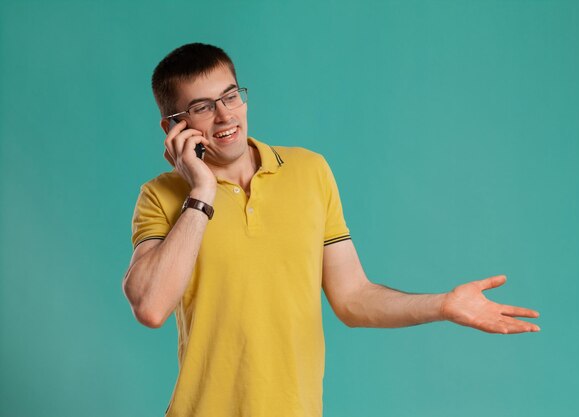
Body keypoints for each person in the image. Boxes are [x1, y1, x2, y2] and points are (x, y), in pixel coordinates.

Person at [122, 43, 540, 417]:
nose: (225, 115)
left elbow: (352, 297)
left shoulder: (309, 171)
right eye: (203, 106)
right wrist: (202, 191)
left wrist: (443, 305)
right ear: (173, 126)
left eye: (231, 96)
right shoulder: (161, 196)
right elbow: (151, 307)